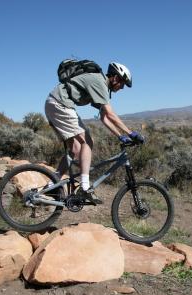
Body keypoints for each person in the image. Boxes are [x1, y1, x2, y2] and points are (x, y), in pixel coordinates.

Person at [44, 61, 144, 205]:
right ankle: (85, 187)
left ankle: (51, 186)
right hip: (60, 104)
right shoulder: (99, 82)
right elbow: (110, 114)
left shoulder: (101, 85)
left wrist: (120, 136)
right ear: (115, 78)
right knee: (88, 141)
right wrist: (131, 133)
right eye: (122, 83)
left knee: (74, 150)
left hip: (54, 104)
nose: (122, 88)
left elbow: (104, 117)